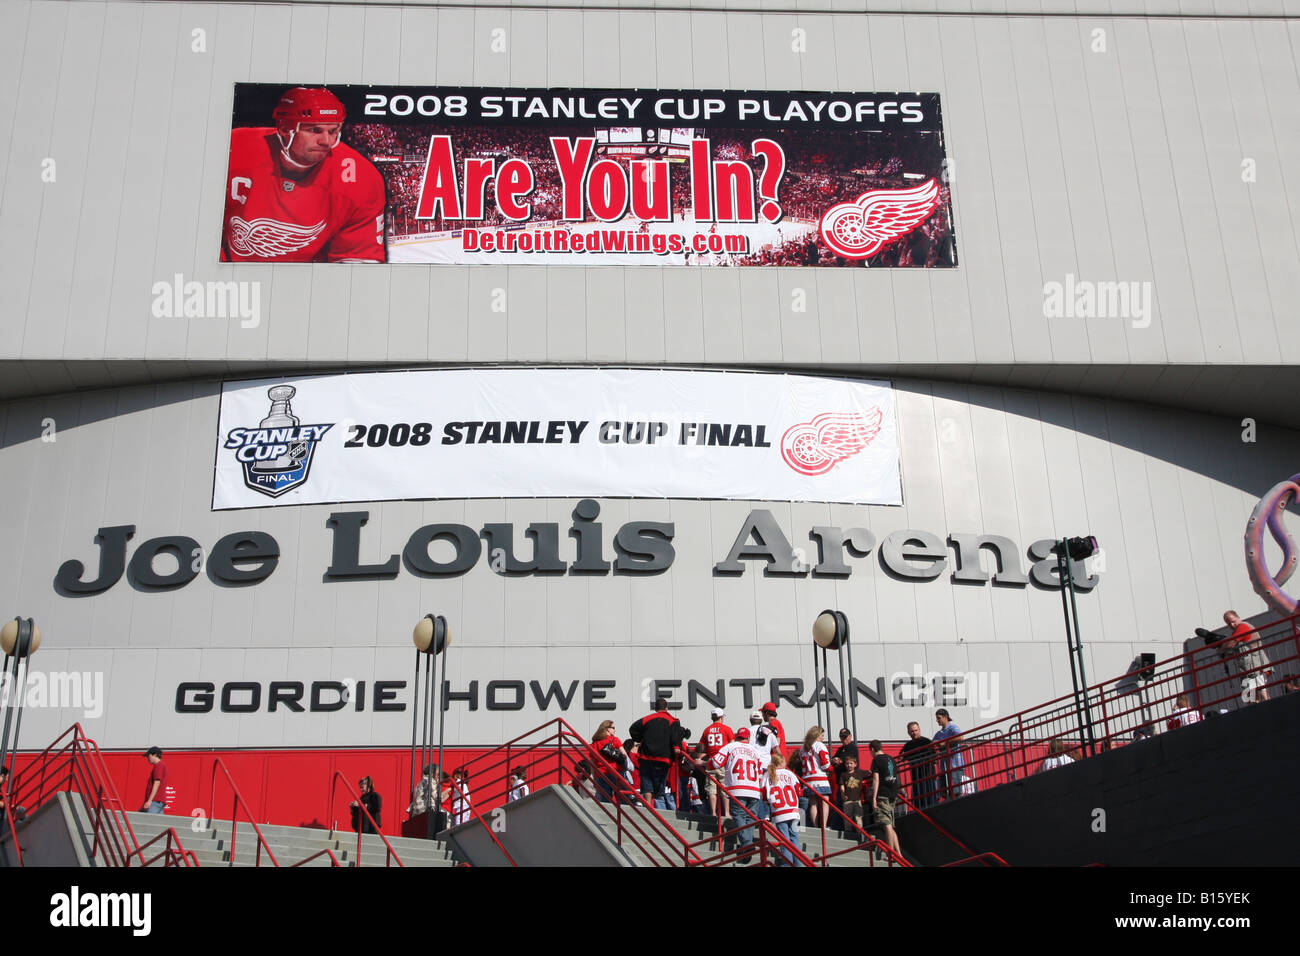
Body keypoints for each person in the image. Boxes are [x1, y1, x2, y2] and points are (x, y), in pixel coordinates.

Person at [222, 87, 386, 263]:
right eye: (315, 130)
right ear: (285, 129)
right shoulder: (233, 148)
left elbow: (355, 263)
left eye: (332, 131)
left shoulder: (362, 178)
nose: (326, 141)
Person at [628, 698, 690, 810]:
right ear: (667, 708)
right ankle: (658, 809)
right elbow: (675, 738)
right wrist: (676, 747)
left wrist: (640, 739)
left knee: (647, 782)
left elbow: (633, 729)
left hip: (645, 756)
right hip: (663, 757)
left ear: (655, 708)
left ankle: (648, 806)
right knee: (660, 784)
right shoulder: (673, 721)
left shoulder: (647, 719)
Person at [711, 727, 766, 853]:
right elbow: (760, 772)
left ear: (737, 736)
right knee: (751, 817)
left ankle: (747, 844)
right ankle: (748, 843)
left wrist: (702, 763)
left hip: (737, 788)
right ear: (748, 738)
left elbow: (715, 763)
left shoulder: (730, 747)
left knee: (739, 815)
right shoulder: (755, 750)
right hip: (753, 789)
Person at [762, 752, 804, 866]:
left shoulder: (767, 775)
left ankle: (787, 863)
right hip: (793, 811)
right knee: (794, 838)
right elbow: (799, 792)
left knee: (784, 840)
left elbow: (764, 795)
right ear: (781, 762)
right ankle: (798, 863)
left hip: (779, 812)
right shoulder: (790, 774)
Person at [1221, 611, 1271, 703]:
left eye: (1233, 621)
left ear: (1238, 617)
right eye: (1228, 624)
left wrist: (1221, 648)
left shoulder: (1243, 626)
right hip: (1249, 668)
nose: (1232, 624)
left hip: (1255, 665)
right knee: (1251, 695)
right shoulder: (1237, 631)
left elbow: (1231, 643)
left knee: (1261, 691)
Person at [867, 739, 902, 858]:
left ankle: (890, 853)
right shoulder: (891, 758)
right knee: (890, 825)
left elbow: (876, 779)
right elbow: (897, 776)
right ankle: (899, 854)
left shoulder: (876, 760)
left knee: (886, 824)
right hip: (893, 793)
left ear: (872, 749)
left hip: (883, 794)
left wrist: (874, 798)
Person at [699, 707, 735, 822]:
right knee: (725, 788)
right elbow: (732, 746)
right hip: (723, 761)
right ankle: (727, 813)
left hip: (710, 762)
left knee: (711, 788)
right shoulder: (727, 729)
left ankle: (713, 812)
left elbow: (702, 747)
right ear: (721, 717)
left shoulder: (707, 730)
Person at [797, 726, 833, 828]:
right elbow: (825, 765)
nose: (823, 738)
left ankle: (816, 826)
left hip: (808, 779)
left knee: (813, 804)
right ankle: (824, 826)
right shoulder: (820, 746)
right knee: (825, 801)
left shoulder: (803, 748)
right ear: (816, 735)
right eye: (822, 735)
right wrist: (832, 767)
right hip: (820, 778)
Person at [932, 709, 971, 799]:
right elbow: (932, 744)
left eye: (939, 718)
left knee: (955, 791)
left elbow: (960, 737)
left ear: (946, 717)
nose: (937, 720)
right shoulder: (939, 733)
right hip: (944, 767)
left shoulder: (953, 727)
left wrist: (945, 742)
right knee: (944, 792)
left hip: (955, 765)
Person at [899, 721, 936, 810]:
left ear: (919, 730)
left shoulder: (926, 741)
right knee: (918, 800)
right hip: (916, 777)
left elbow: (934, 756)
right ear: (908, 733)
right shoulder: (908, 745)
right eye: (912, 731)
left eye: (916, 730)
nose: (914, 733)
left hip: (928, 775)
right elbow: (901, 757)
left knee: (930, 798)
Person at [591, 719, 628, 802]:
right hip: (616, 772)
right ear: (607, 729)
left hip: (601, 774)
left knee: (605, 800)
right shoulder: (615, 740)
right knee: (623, 798)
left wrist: (594, 777)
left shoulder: (595, 743)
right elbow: (624, 755)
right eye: (613, 727)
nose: (615, 730)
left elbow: (592, 762)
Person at [837, 754, 870, 838]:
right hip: (847, 799)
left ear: (855, 764)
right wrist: (843, 794)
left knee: (858, 816)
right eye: (847, 764)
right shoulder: (843, 775)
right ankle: (848, 832)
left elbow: (870, 773)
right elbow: (842, 786)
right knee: (848, 817)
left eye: (851, 763)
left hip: (857, 799)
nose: (849, 765)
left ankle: (860, 831)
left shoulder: (859, 772)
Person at [141, 746, 168, 813]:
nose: (147, 758)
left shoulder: (158, 765)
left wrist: (149, 801)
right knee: (157, 822)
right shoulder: (162, 765)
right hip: (159, 801)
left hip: (155, 801)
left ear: (155, 755)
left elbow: (157, 783)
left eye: (148, 756)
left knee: (147, 821)